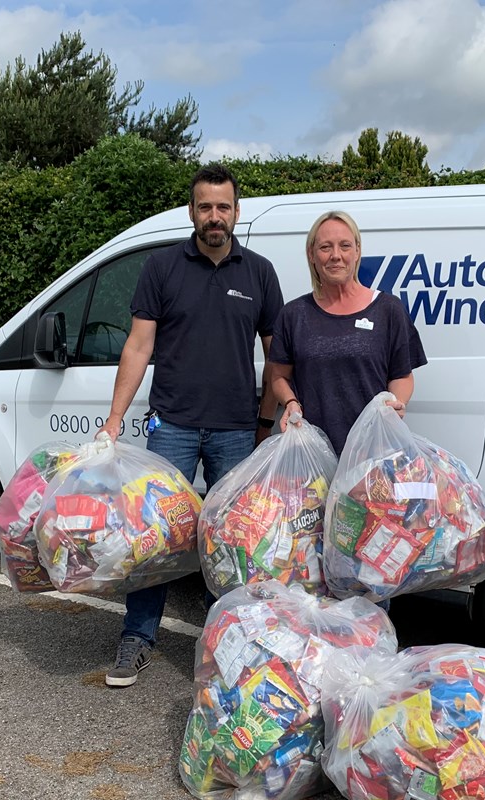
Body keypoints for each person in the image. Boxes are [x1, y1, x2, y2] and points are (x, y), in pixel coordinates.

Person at [96, 164, 283, 688]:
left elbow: (276, 359)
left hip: (235, 430)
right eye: (206, 207)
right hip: (172, 424)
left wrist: (267, 423)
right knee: (155, 538)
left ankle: (231, 644)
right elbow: (138, 345)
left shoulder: (260, 273)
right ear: (192, 212)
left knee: (234, 542)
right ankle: (138, 636)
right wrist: (113, 420)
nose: (215, 217)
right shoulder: (162, 267)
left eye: (224, 207)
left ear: (237, 211)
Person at [265, 210, 426, 455]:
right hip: (311, 452)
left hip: (373, 450)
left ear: (357, 251)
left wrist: (395, 404)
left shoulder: (388, 309)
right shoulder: (294, 314)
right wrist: (290, 402)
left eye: (345, 246)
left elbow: (403, 375)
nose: (336, 256)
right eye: (325, 247)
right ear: (312, 255)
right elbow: (278, 376)